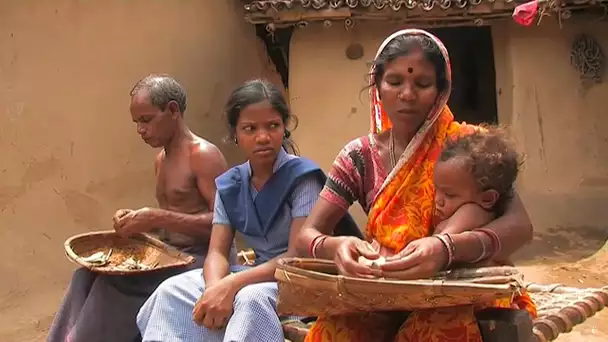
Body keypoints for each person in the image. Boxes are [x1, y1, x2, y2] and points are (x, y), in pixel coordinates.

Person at [296, 29, 537, 342]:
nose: (407, 94)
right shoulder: (358, 157)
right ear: (377, 88)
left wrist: (446, 249)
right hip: (382, 292)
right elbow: (306, 236)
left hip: (458, 292)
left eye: (422, 84)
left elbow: (520, 226)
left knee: (436, 331)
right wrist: (337, 246)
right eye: (394, 82)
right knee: (332, 332)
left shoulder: (468, 147)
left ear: (441, 90)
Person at [136, 79, 359, 342]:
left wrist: (231, 285)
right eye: (250, 128)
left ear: (284, 129)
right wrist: (214, 288)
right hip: (256, 274)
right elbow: (217, 252)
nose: (262, 137)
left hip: (299, 280)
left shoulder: (302, 178)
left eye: (273, 126)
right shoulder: (230, 184)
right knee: (171, 291)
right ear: (235, 134)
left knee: (249, 299)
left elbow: (296, 258)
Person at [48, 74, 228, 342]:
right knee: (83, 277)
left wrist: (158, 217)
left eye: (147, 120)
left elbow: (225, 223)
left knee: (114, 285)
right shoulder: (161, 159)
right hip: (170, 255)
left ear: (173, 110)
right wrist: (138, 222)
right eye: (137, 123)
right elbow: (174, 220)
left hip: (202, 260)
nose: (141, 130)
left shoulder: (203, 155)